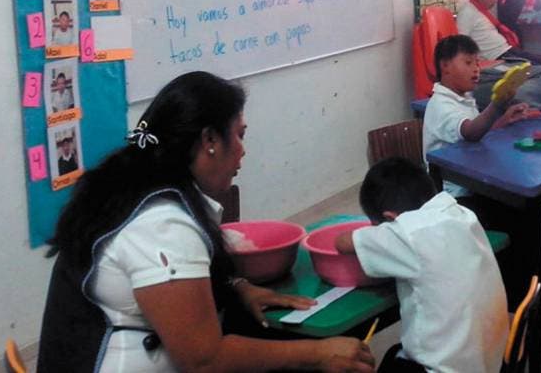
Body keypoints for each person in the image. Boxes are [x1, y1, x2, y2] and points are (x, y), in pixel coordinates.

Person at [38, 71, 375, 372]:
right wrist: (316, 353)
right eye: (239, 135)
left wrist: (236, 288)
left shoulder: (132, 182)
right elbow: (204, 360)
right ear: (210, 140)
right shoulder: (162, 225)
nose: (243, 150)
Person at [334, 157, 509, 373]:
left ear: (390, 218)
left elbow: (342, 243)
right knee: (394, 353)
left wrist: (378, 232)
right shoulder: (461, 213)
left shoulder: (407, 232)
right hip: (490, 362)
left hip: (442, 369)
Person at [421, 34, 541, 312]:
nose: (476, 69)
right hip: (455, 196)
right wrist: (497, 105)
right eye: (468, 62)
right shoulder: (441, 105)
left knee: (529, 209)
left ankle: (525, 297)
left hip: (476, 184)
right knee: (521, 216)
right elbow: (470, 132)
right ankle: (517, 300)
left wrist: (503, 120)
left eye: (477, 62)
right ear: (445, 66)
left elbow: (474, 131)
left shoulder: (463, 98)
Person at [456, 0, 541, 67]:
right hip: (497, 56)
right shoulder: (467, 12)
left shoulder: (481, 11)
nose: (496, 0)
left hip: (506, 50)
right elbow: (461, 43)